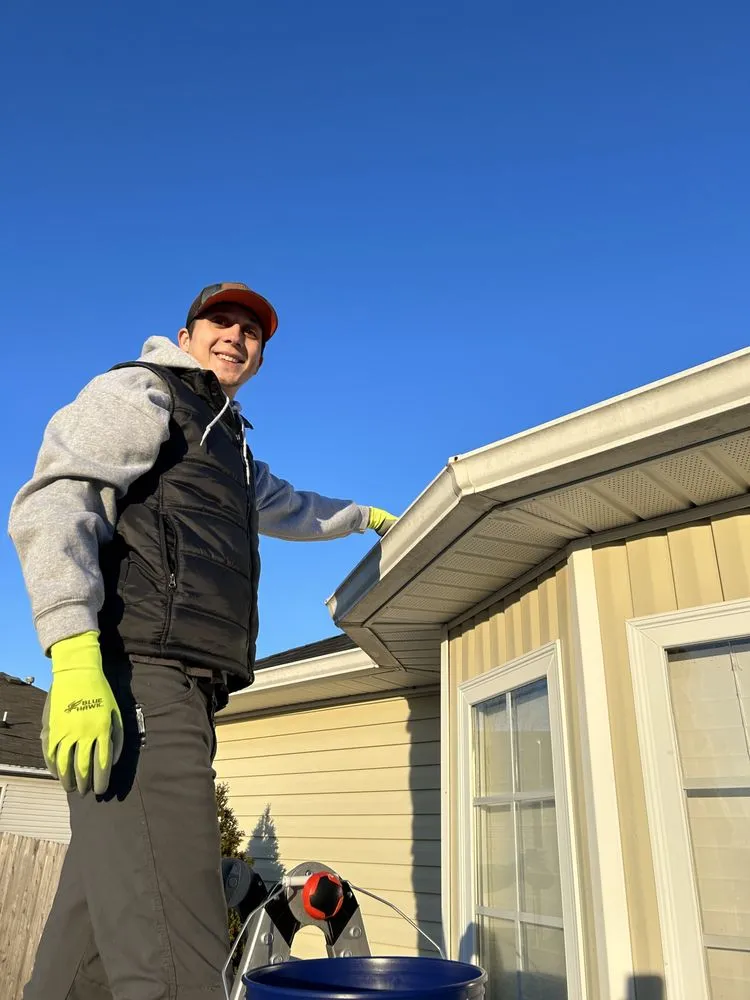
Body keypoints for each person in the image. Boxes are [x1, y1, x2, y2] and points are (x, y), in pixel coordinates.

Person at [8, 281, 398, 1000]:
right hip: (139, 682)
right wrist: (75, 654)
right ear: (186, 336)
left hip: (182, 687)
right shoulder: (145, 392)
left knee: (85, 950)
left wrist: (363, 517)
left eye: (252, 332)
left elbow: (294, 508)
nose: (236, 337)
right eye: (221, 321)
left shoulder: (229, 448)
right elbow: (57, 498)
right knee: (181, 958)